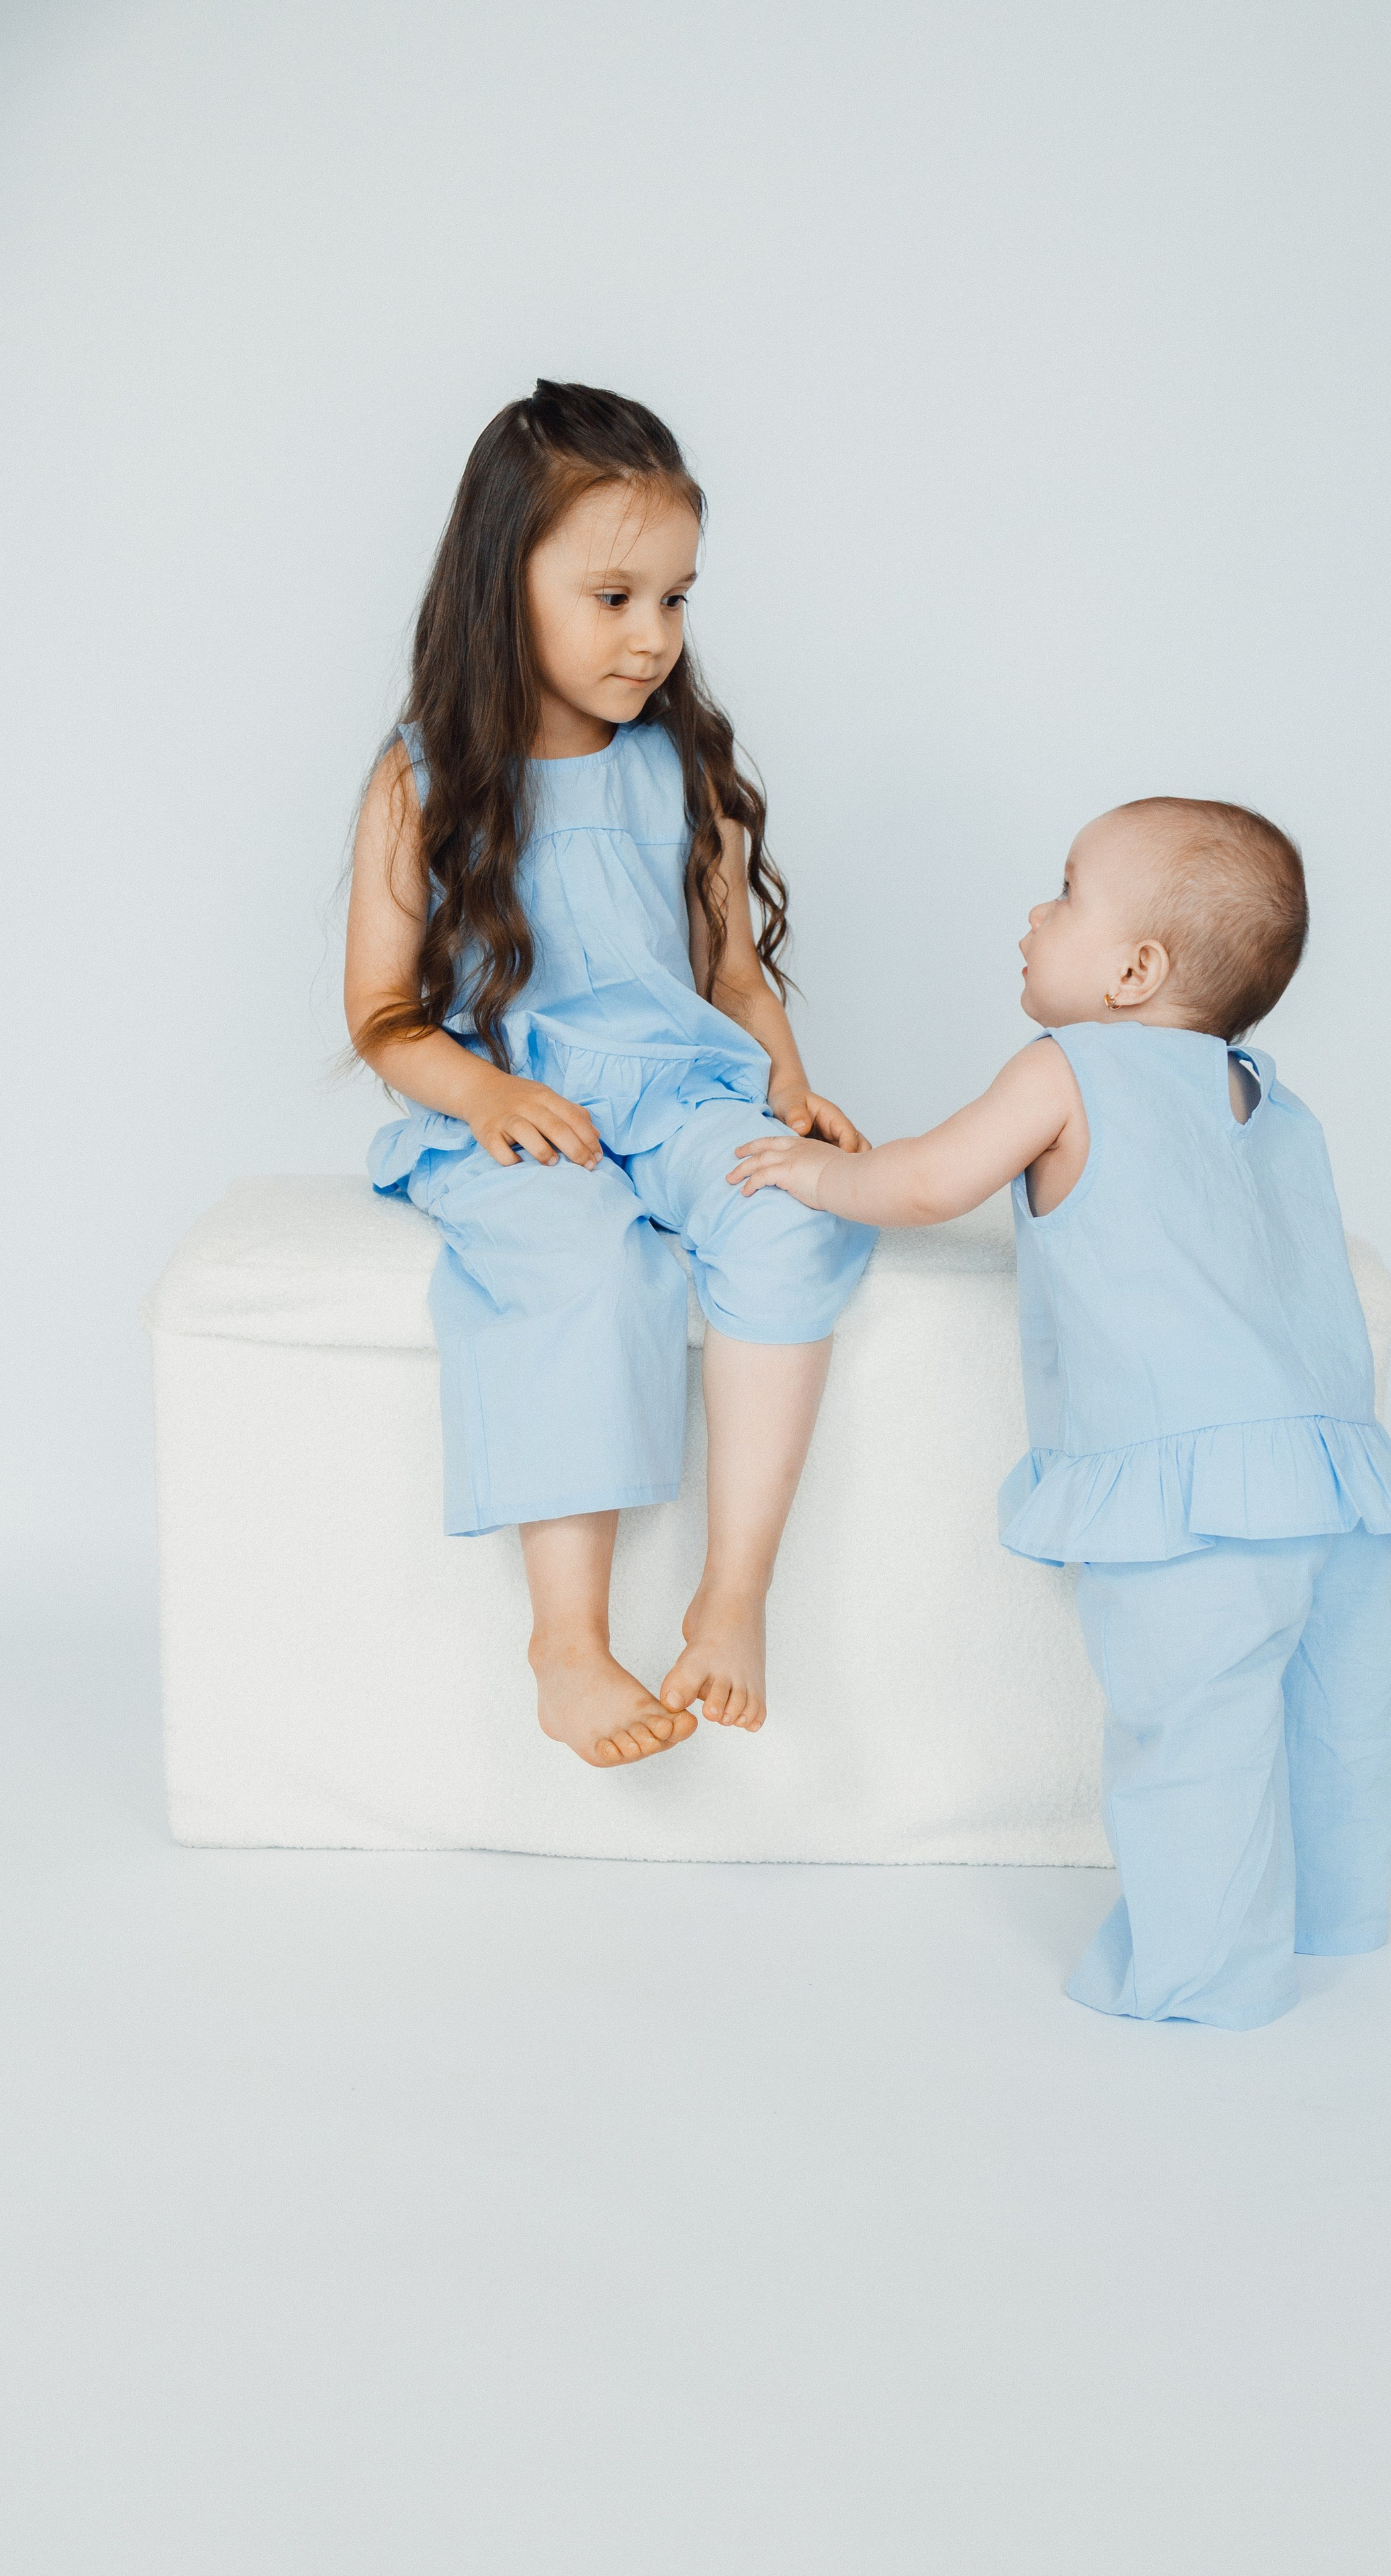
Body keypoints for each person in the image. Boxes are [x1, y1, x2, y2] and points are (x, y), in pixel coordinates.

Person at [730, 798, 1391, 2027]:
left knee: (1195, 1733)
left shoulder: (1070, 1068)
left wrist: (817, 1171)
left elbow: (936, 1180)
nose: (1034, 913)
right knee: (1335, 1711)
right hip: (1335, 1476)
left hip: (1194, 1490)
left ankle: (1205, 1982)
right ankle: (1333, 1914)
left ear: (1134, 969)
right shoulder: (1265, 1098)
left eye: (1063, 891)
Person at [345, 381, 874, 1771]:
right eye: (614, 596)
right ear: (498, 585)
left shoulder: (678, 765)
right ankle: (566, 1642)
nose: (653, 638)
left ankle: (731, 1589)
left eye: (676, 600)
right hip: (520, 1113)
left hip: (679, 1090)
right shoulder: (421, 784)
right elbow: (383, 1016)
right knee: (582, 1262)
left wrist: (788, 1095)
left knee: (791, 1209)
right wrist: (483, 1099)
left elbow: (732, 980)